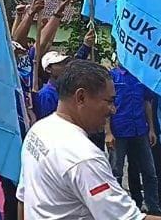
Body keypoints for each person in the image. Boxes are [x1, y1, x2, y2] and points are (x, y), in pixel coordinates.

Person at [17, 59, 161, 219]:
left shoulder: (38, 131)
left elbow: (23, 199)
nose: (113, 110)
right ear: (81, 97)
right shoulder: (84, 157)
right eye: (110, 101)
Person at [106, 63, 161, 214]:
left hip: (140, 130)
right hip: (119, 131)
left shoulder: (140, 76)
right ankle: (115, 210)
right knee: (116, 173)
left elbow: (146, 103)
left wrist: (151, 129)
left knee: (149, 172)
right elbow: (106, 105)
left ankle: (153, 208)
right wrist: (108, 132)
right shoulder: (112, 77)